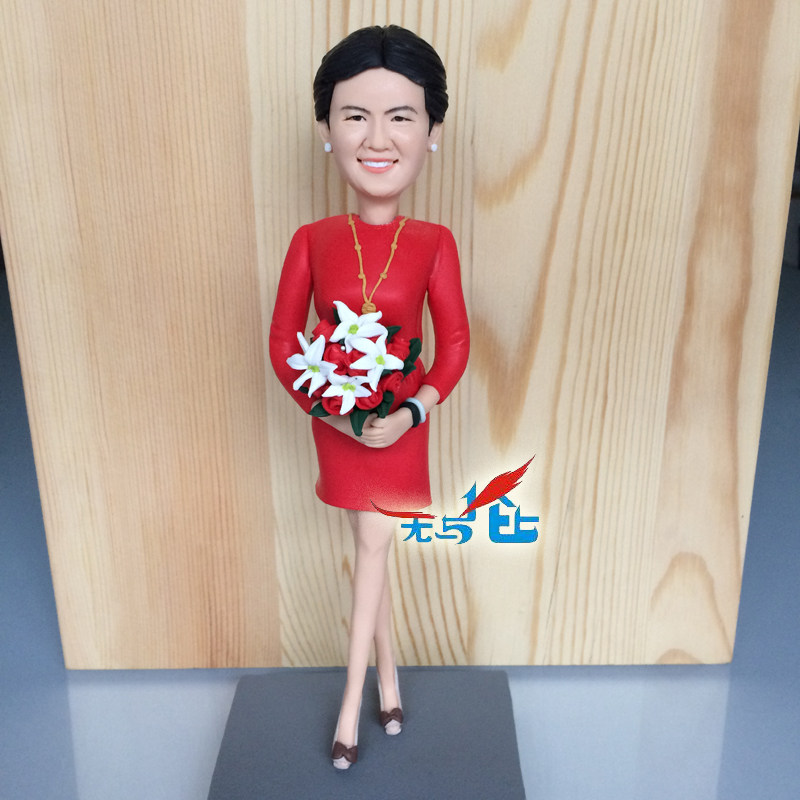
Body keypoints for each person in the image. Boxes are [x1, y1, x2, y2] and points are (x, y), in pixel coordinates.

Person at [269, 24, 469, 770]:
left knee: (373, 546)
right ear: (327, 128)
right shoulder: (313, 239)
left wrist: (412, 410)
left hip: (400, 431)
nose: (376, 138)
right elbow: (284, 340)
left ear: (432, 132)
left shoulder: (434, 242)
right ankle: (386, 685)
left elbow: (454, 344)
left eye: (401, 116)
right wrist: (329, 407)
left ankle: (351, 709)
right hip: (339, 427)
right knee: (371, 546)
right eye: (355, 115)